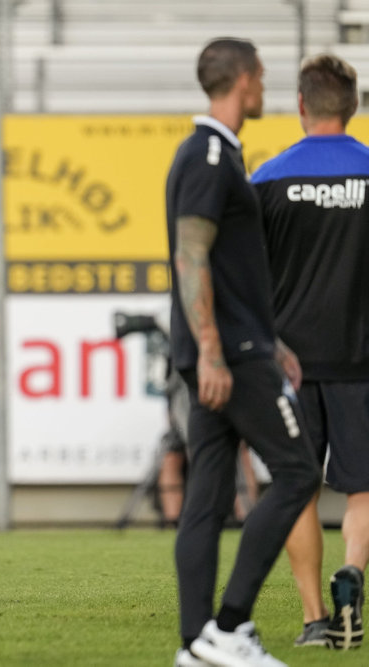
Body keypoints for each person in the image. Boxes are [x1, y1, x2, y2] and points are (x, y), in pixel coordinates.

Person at [165, 37, 321, 666]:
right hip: (227, 351)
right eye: (260, 76)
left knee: (205, 495)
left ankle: (197, 643)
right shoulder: (207, 155)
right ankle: (227, 626)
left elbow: (227, 265)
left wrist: (271, 336)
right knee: (298, 472)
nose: (265, 87)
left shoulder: (218, 153)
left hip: (238, 343)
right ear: (244, 81)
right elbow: (191, 255)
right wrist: (213, 351)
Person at [252, 53, 369, 651]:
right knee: (364, 488)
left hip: (289, 367)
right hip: (363, 361)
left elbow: (243, 277)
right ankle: (353, 567)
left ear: (300, 106)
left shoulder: (266, 179)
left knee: (296, 487)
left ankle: (314, 618)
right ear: (353, 106)